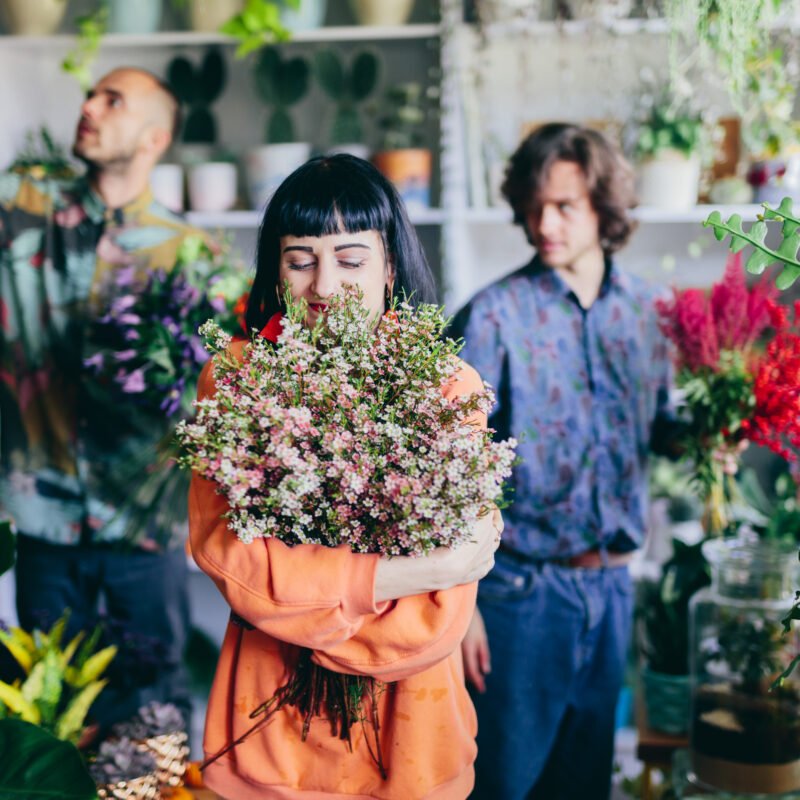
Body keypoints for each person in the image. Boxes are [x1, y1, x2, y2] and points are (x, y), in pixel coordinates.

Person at [188, 154, 503, 800]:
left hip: (409, 742)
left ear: (390, 269)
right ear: (275, 272)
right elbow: (231, 559)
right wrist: (426, 570)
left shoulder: (447, 389)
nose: (324, 286)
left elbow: (435, 626)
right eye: (300, 260)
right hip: (269, 740)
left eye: (351, 260)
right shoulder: (239, 381)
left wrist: (302, 609)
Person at [451, 123, 676, 800]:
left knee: (583, 786)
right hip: (520, 597)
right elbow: (443, 469)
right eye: (535, 205)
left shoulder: (648, 314)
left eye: (566, 206)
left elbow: (659, 428)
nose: (544, 223)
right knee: (501, 785)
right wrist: (460, 609)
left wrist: (715, 430)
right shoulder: (492, 316)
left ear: (605, 209)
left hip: (610, 590)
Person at [0, 67, 198, 729]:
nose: (89, 106)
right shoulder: (19, 207)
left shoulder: (188, 253)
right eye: (90, 94)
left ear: (154, 136)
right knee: (43, 717)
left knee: (153, 722)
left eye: (113, 100)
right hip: (43, 520)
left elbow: (210, 391)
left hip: (143, 527)